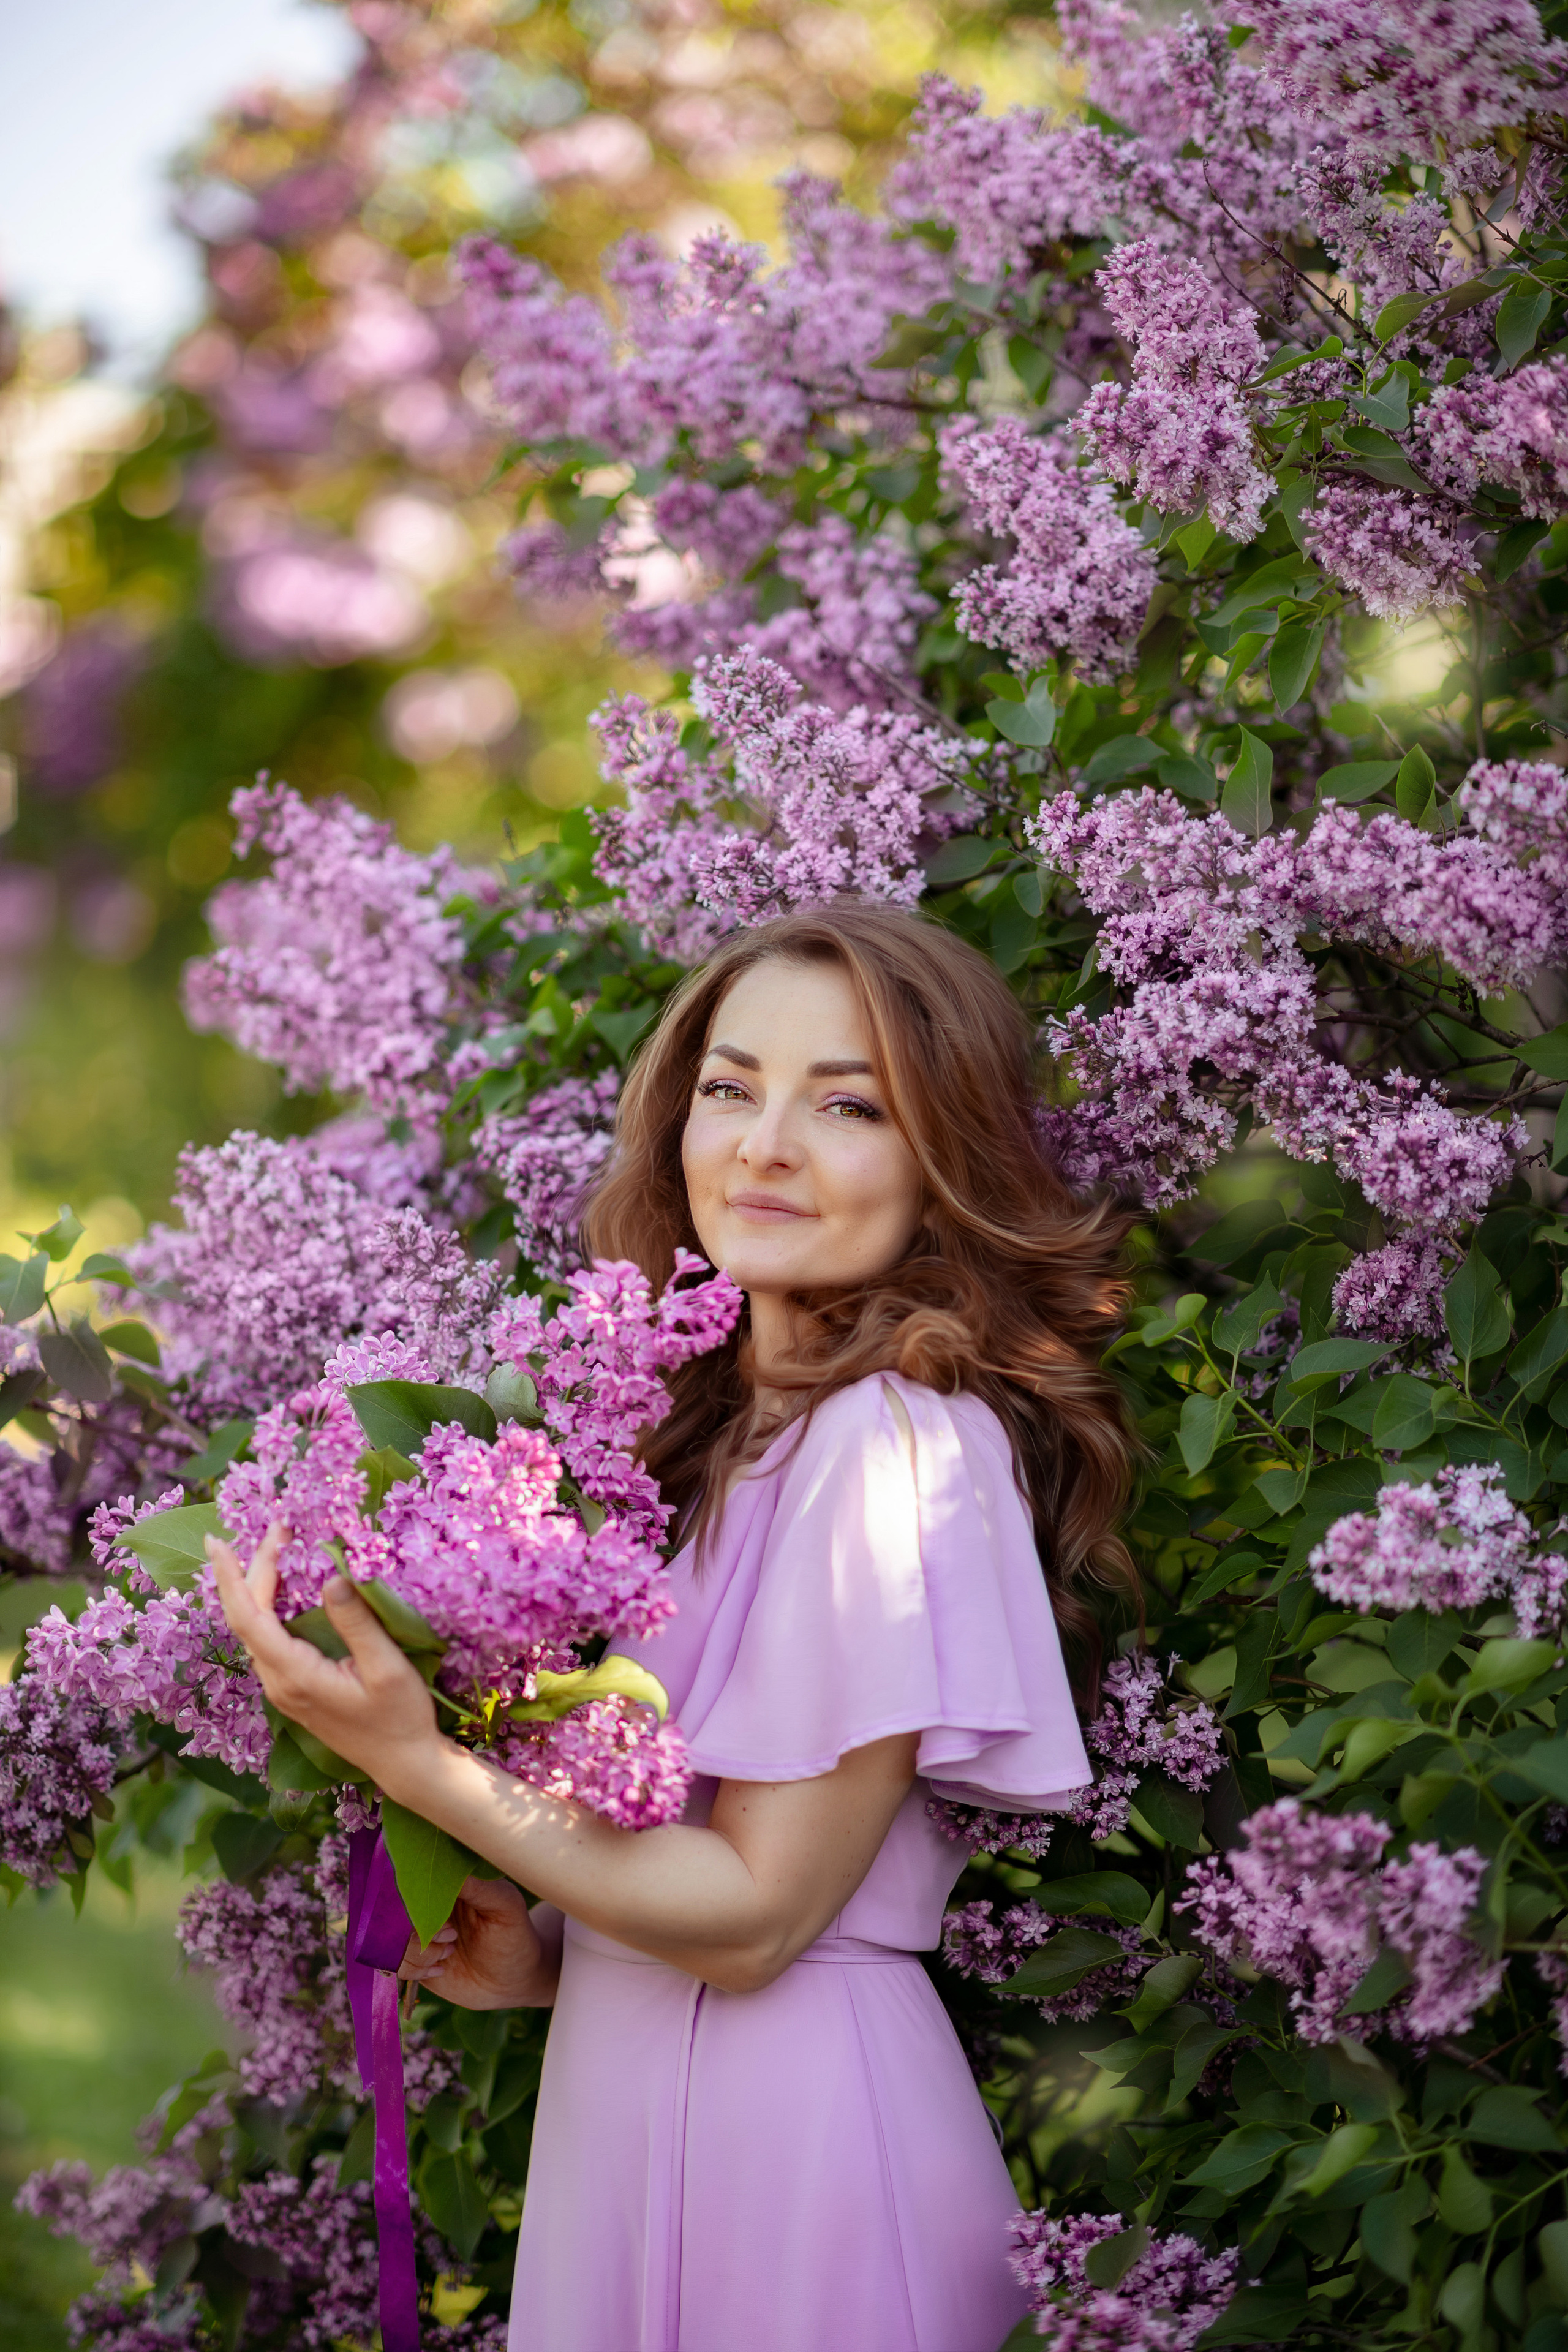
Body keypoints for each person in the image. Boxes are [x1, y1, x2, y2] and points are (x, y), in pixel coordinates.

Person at [211, 900, 1139, 2352]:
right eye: (729, 1086)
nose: (763, 1143)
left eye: (846, 1105)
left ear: (939, 1158)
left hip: (803, 2157)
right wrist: (557, 1958)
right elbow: (690, 1863)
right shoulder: (698, 1446)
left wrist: (420, 1766)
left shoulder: (899, 1440)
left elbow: (765, 1917)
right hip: (629, 2107)